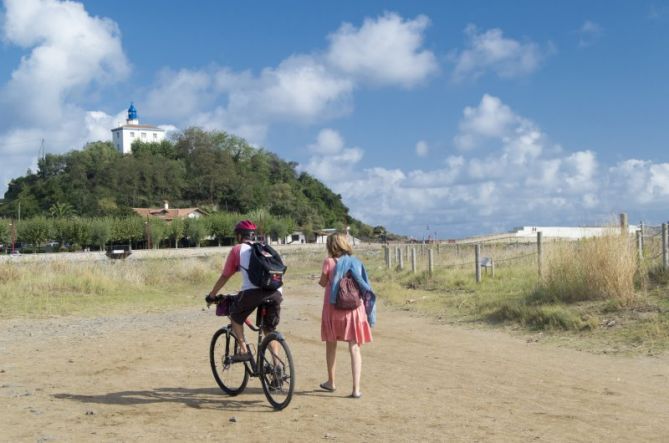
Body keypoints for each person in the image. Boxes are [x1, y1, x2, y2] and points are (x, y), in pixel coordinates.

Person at [207, 219, 283, 362]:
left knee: (235, 316)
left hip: (253, 293)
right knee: (269, 330)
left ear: (239, 236)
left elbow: (225, 276)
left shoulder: (238, 249)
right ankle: (277, 368)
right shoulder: (265, 247)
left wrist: (212, 295)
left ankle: (244, 351)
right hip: (276, 290)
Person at [318, 232, 373, 399]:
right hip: (355, 311)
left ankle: (331, 382)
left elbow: (322, 283)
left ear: (331, 246)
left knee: (331, 345)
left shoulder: (329, 262)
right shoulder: (355, 262)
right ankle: (356, 389)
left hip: (334, 310)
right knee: (355, 348)